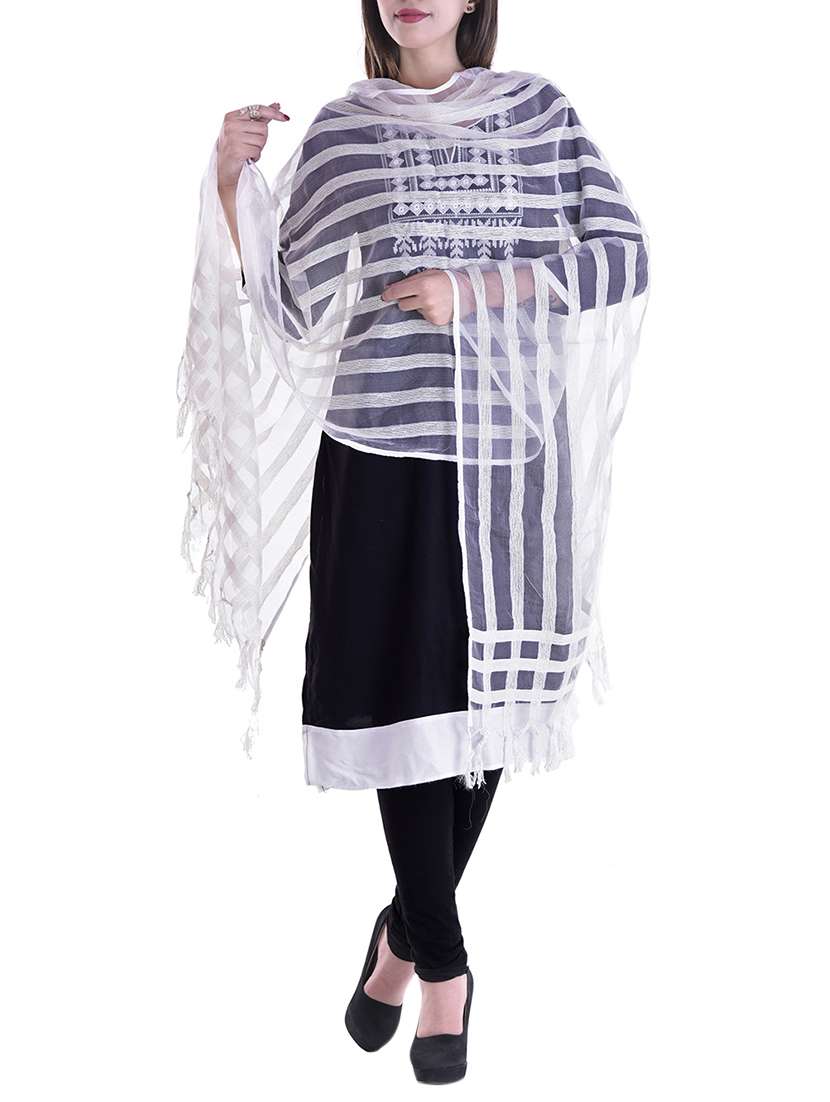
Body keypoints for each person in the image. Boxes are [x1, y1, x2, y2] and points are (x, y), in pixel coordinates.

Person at [197, 0, 648, 1085]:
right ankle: (443, 966)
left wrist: (478, 290)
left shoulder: (539, 115)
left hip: (512, 453)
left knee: (486, 705)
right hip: (380, 451)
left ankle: (402, 934)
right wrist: (230, 181)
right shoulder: (346, 129)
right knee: (406, 703)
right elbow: (293, 309)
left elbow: (623, 257)